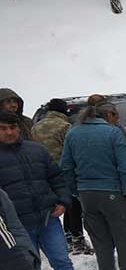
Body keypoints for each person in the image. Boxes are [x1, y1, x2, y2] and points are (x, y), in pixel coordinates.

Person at [0, 112, 101, 270]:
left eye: (12, 127)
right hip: (17, 228)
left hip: (48, 219)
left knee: (63, 263)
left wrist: (63, 201)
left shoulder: (35, 150)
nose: (9, 132)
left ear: (19, 128)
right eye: (3, 128)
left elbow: (57, 177)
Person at [61, 103, 126, 270]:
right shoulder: (112, 133)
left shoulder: (73, 134)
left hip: (86, 194)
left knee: (100, 241)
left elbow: (65, 166)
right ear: (104, 116)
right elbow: (124, 166)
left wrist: (76, 191)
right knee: (123, 237)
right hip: (112, 192)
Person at [31, 98, 93, 255]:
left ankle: (67, 237)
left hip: (42, 173)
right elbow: (73, 150)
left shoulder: (36, 127)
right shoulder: (65, 127)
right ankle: (77, 239)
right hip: (63, 171)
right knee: (73, 204)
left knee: (60, 205)